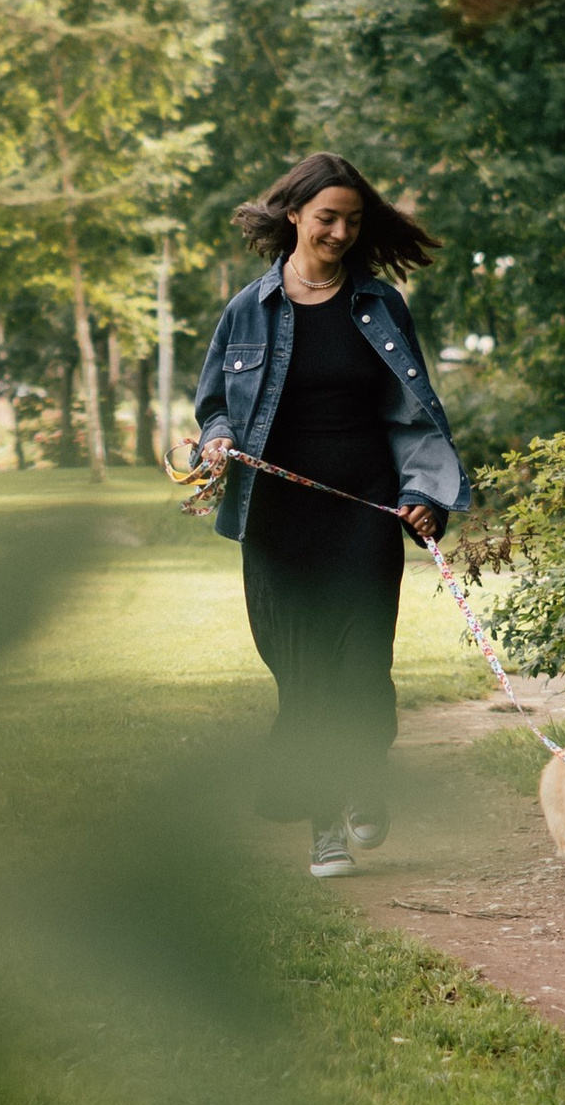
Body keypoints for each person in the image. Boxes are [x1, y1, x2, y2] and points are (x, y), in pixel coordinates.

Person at [193, 153, 470, 881]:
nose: (341, 232)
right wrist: (217, 439)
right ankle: (326, 826)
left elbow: (413, 416)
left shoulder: (380, 306)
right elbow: (214, 402)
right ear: (294, 215)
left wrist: (426, 494)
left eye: (352, 220)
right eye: (327, 218)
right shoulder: (247, 310)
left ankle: (359, 778)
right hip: (277, 520)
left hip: (363, 513)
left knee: (362, 668)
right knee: (303, 674)